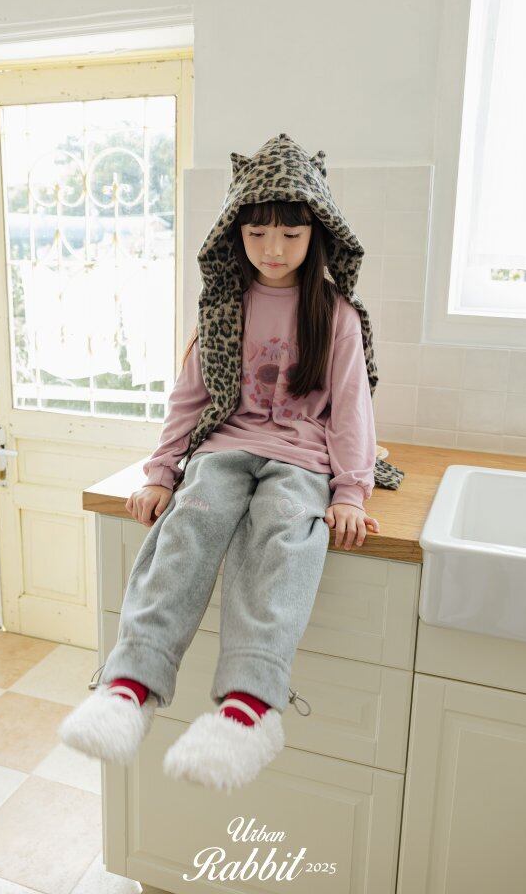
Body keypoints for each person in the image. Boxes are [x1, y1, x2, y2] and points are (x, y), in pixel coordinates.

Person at [58, 133, 380, 793]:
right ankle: (129, 686)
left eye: (290, 234)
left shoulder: (336, 315)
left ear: (316, 235)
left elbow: (352, 411)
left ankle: (247, 708)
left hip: (301, 458)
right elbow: (191, 397)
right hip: (224, 446)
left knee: (283, 538)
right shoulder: (223, 307)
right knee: (188, 524)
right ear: (236, 233)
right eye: (257, 232)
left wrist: (350, 492)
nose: (272, 248)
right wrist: (160, 473)